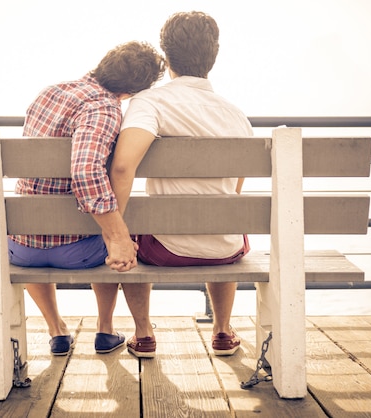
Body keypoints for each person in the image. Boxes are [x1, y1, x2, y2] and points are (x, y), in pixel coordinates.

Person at [110, 11, 254, 358]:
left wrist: (116, 233)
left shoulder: (151, 102)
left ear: (167, 56)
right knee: (227, 219)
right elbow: (235, 188)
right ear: (213, 57)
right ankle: (221, 330)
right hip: (224, 249)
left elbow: (123, 166)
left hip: (164, 249)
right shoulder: (235, 114)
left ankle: (143, 334)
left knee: (131, 229)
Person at [8, 41, 165, 355]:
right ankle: (105, 329)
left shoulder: (48, 92)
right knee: (119, 226)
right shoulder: (104, 108)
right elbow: (85, 172)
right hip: (75, 250)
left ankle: (57, 331)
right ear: (134, 91)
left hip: (21, 247)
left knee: (42, 210)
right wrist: (117, 235)